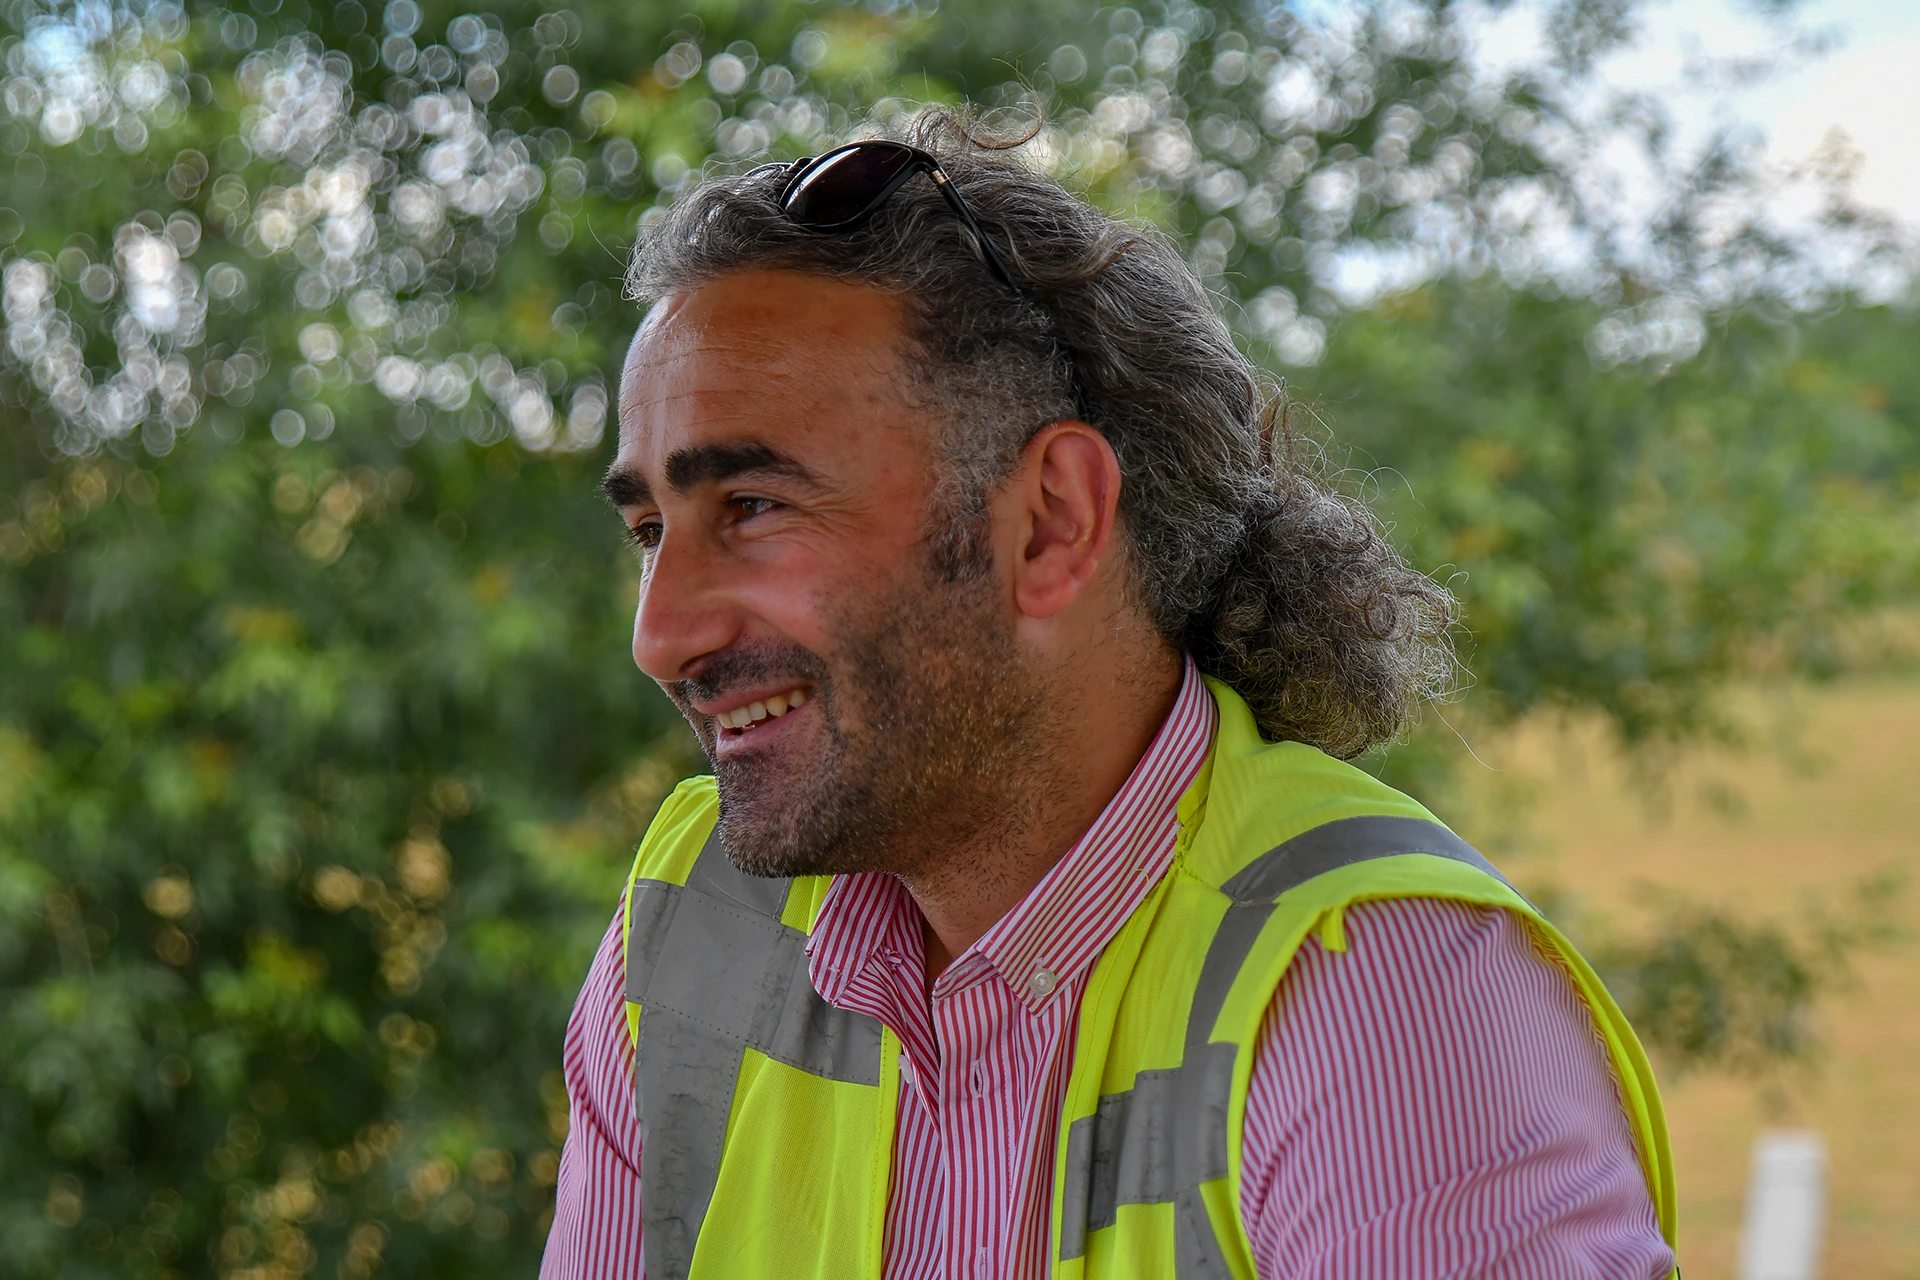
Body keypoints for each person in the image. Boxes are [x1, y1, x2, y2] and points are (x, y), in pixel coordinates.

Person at [542, 109, 1679, 1280]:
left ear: (1052, 521)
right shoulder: (691, 919)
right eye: (650, 529)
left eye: (754, 507)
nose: (660, 636)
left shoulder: (1385, 998)